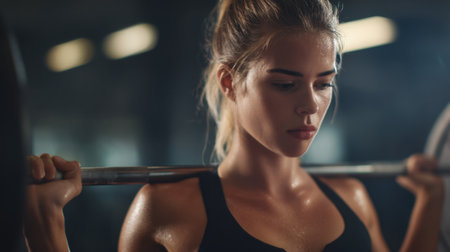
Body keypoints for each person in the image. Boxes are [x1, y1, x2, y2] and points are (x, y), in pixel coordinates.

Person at [24, 0, 444, 251]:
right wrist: (45, 224)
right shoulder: (167, 208)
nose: (309, 105)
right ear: (229, 81)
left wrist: (430, 202)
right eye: (284, 84)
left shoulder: (352, 198)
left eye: (324, 83)